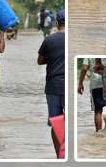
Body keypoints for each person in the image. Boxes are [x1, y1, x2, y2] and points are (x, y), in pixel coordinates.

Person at [37, 10, 65, 157]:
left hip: (53, 86)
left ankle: (59, 155)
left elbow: (40, 61)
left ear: (56, 22)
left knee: (56, 122)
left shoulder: (49, 40)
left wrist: (53, 59)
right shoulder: (72, 40)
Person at [77, 58, 106, 132]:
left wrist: (80, 83)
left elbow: (84, 68)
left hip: (96, 84)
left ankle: (98, 133)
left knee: (98, 111)